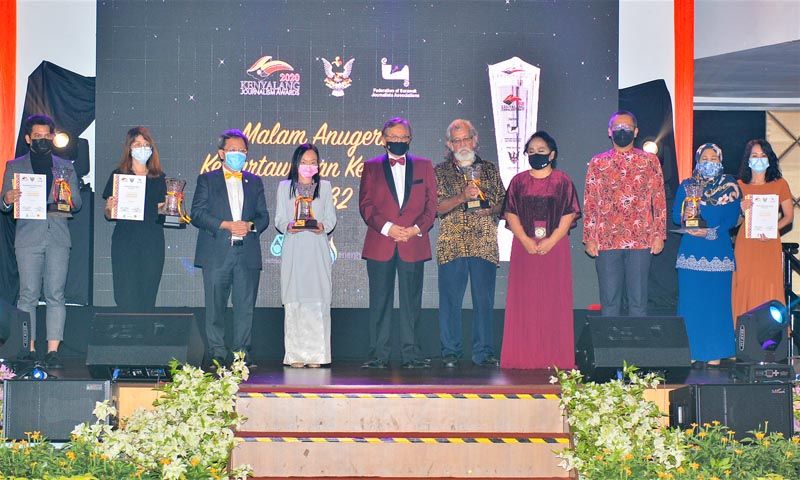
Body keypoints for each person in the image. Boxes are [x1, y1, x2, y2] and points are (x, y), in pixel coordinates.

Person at [1, 114, 82, 368]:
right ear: (28, 138)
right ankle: (29, 348)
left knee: (56, 294)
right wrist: (8, 199)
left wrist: (67, 198)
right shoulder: (14, 166)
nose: (43, 140)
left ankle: (53, 351)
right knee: (28, 295)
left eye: (47, 136)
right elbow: (4, 203)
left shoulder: (66, 166)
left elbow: (77, 203)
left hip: (57, 236)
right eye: (37, 136)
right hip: (27, 238)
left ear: (53, 137)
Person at [358, 117, 437, 369]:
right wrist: (389, 228)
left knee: (411, 303)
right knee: (379, 302)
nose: (398, 141)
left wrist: (415, 230)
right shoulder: (371, 167)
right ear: (384, 140)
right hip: (380, 243)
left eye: (403, 137)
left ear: (410, 139)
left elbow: (431, 205)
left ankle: (411, 355)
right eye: (393, 137)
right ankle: (378, 355)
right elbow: (366, 205)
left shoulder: (424, 166)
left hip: (413, 243)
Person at [501, 131, 581, 369]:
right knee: (525, 300)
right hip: (524, 246)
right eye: (531, 151)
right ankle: (522, 356)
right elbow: (510, 213)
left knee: (553, 300)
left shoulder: (563, 181)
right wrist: (526, 240)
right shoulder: (518, 181)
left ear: (552, 154)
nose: (536, 154)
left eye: (541, 151)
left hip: (555, 246)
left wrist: (551, 240)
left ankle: (555, 357)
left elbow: (569, 214)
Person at [191, 129, 269, 369]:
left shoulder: (254, 181)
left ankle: (241, 355)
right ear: (221, 153)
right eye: (233, 150)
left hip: (246, 253)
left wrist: (250, 226)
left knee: (245, 308)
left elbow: (264, 216)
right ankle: (216, 354)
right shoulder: (207, 179)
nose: (238, 155)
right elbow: (197, 214)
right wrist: (225, 225)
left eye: (242, 151)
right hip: (217, 253)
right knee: (215, 307)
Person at [434, 119, 505, 368]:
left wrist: (491, 209)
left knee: (484, 301)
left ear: (475, 140)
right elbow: (436, 207)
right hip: (452, 245)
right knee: (450, 302)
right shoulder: (439, 171)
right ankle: (450, 351)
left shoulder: (490, 169)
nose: (462, 144)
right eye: (457, 140)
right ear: (449, 144)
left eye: (466, 138)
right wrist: (462, 197)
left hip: (484, 244)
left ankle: (483, 352)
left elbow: (504, 203)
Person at [583, 111, 666, 316]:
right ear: (609, 131)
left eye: (627, 128)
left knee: (638, 302)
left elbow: (659, 199)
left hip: (641, 239)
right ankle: (609, 339)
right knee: (609, 301)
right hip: (606, 240)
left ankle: (637, 339)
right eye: (618, 127)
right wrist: (589, 238)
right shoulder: (598, 162)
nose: (622, 131)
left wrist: (659, 235)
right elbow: (591, 201)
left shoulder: (649, 161)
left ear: (636, 132)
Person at [673, 144, 740, 367]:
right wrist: (687, 217)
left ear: (720, 162)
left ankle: (715, 352)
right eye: (704, 158)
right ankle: (690, 350)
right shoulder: (687, 186)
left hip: (718, 250)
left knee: (716, 305)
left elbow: (732, 219)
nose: (709, 162)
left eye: (714, 158)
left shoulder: (731, 187)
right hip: (691, 250)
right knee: (690, 302)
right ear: (697, 161)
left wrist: (711, 232)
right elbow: (676, 216)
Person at [275, 144, 337, 368]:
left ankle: (317, 356)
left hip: (317, 249)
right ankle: (296, 356)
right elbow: (279, 219)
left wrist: (322, 226)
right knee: (295, 300)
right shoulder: (284, 187)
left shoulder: (325, 187)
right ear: (296, 163)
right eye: (304, 162)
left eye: (313, 162)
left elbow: (331, 218)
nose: (308, 166)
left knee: (317, 301)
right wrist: (288, 226)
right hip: (294, 248)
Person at [102, 126, 167, 312]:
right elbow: (108, 214)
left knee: (148, 290)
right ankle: (125, 327)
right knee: (125, 291)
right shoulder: (118, 176)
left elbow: (163, 212)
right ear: (129, 148)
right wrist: (110, 209)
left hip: (152, 241)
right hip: (125, 240)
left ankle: (145, 328)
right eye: (137, 144)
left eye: (146, 144)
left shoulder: (159, 178)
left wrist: (172, 205)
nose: (142, 148)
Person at [732, 139, 793, 322]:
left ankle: (772, 330)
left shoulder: (780, 184)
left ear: (769, 159)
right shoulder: (739, 185)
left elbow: (788, 217)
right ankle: (742, 329)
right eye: (754, 155)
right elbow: (734, 223)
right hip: (746, 244)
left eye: (763, 155)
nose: (759, 159)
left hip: (769, 243)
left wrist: (773, 230)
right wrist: (740, 210)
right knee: (744, 284)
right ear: (748, 160)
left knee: (770, 285)